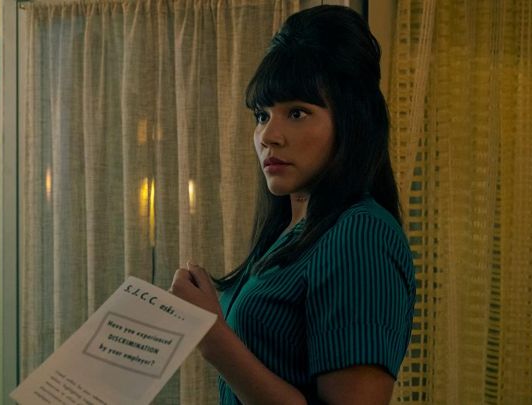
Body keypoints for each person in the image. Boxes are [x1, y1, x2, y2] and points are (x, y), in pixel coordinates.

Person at [169, 5, 415, 404]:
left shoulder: (360, 234)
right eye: (261, 115)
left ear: (352, 122)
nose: (269, 135)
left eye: (297, 112)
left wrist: (213, 337)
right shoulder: (292, 231)